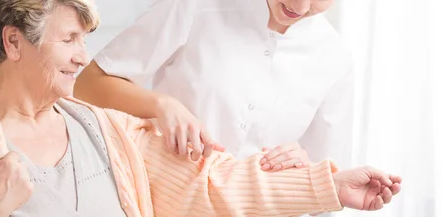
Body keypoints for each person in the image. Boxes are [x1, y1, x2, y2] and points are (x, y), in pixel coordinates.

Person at [0, 0, 401, 216]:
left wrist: (329, 185)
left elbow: (209, 181)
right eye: (69, 39)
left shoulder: (107, 134)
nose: (84, 56)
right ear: (15, 42)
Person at [74, 0, 354, 175]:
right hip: (165, 198)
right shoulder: (196, 6)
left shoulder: (335, 56)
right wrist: (163, 105)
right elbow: (87, 85)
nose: (301, 7)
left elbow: (328, 180)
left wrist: (303, 164)